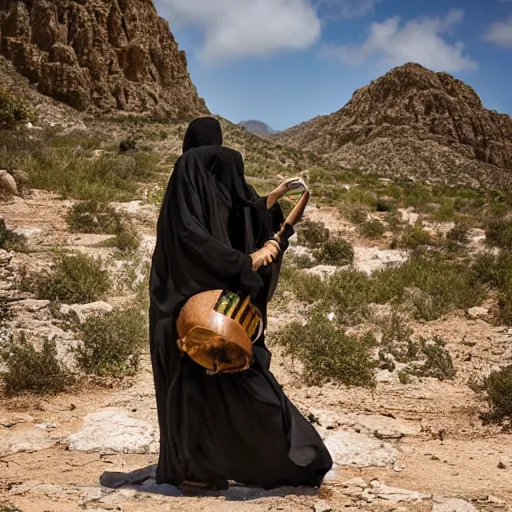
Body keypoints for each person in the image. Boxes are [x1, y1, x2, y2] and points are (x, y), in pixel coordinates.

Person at [149, 116, 333, 491]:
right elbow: (199, 235)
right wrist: (245, 261)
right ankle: (259, 462)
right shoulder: (197, 170)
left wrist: (272, 199)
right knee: (221, 381)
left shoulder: (188, 172)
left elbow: (233, 212)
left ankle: (195, 470)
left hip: (181, 304)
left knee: (189, 389)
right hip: (208, 309)